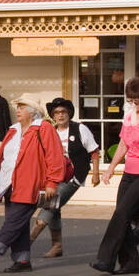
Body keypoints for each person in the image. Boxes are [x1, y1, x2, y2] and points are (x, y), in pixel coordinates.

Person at [0, 94, 65, 272]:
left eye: (22, 107)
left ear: (33, 112)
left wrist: (52, 182)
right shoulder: (14, 129)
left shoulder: (44, 128)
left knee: (14, 220)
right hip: (9, 183)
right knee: (19, 222)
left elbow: (55, 157)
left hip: (31, 183)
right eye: (18, 107)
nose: (18, 110)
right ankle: (23, 260)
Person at [92, 77, 139, 275]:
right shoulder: (128, 116)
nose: (135, 104)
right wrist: (110, 168)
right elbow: (124, 144)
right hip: (129, 171)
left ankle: (105, 259)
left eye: (138, 100)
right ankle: (130, 263)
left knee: (121, 214)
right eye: (131, 100)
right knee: (122, 216)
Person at [28, 98, 99, 258]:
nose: (60, 116)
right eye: (57, 113)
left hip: (73, 177)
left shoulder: (79, 129)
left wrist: (95, 174)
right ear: (53, 116)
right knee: (55, 208)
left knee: (49, 205)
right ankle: (57, 246)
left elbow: (93, 151)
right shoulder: (50, 130)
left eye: (63, 112)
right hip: (54, 177)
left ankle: (27, 243)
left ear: (69, 113)